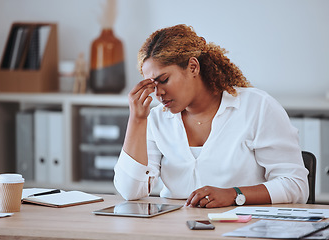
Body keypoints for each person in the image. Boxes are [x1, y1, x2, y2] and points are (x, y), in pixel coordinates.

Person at [113, 24, 309, 208]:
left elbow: (296, 186)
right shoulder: (156, 119)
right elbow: (130, 192)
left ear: (193, 67)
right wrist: (137, 120)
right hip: (174, 228)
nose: (158, 93)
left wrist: (234, 195)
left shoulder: (257, 107)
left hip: (243, 226)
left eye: (164, 80)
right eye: (152, 86)